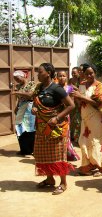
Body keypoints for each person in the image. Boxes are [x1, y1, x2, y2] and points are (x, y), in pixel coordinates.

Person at [32, 63, 75, 195]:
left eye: (40, 72)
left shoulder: (57, 89)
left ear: (49, 73)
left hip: (56, 127)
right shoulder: (39, 88)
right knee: (43, 154)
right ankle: (50, 179)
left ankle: (63, 183)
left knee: (58, 155)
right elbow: (36, 101)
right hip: (42, 127)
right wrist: (34, 108)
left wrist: (57, 118)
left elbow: (71, 105)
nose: (38, 74)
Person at [72, 64, 102, 176]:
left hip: (97, 118)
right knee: (84, 141)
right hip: (85, 118)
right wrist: (76, 97)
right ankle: (89, 164)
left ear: (95, 73)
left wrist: (82, 97)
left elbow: (99, 104)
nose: (89, 75)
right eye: (86, 73)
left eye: (91, 73)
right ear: (83, 74)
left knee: (97, 142)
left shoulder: (99, 86)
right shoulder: (82, 84)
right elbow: (80, 101)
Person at [57, 70, 80, 161]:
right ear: (57, 77)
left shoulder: (70, 88)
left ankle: (67, 153)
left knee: (65, 134)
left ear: (66, 77)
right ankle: (58, 153)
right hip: (55, 114)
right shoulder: (55, 88)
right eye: (60, 76)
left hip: (65, 114)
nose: (62, 77)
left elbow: (72, 103)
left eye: (63, 76)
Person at [12, 70, 36, 156]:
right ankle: (24, 149)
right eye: (15, 79)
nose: (16, 80)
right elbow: (19, 98)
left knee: (30, 128)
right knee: (19, 127)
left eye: (17, 78)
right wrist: (17, 107)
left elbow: (31, 95)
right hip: (21, 107)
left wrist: (17, 92)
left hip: (29, 107)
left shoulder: (31, 84)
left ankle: (32, 149)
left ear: (23, 76)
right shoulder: (18, 86)